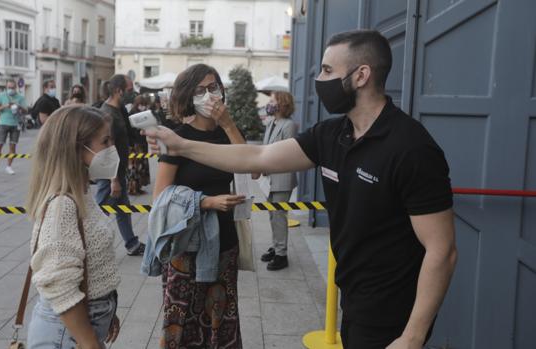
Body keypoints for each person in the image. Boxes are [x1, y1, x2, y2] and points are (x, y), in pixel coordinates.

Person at [146, 30, 458, 349]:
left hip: (393, 308)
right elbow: (259, 156)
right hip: (353, 298)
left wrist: (412, 336)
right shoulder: (332, 135)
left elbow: (442, 250)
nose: (319, 80)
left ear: (361, 75)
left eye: (327, 70)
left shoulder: (412, 148)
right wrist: (181, 145)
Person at [154, 64, 248, 348]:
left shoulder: (228, 133)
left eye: (213, 87)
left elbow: (252, 170)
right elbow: (161, 196)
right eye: (200, 90)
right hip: (187, 244)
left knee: (220, 315)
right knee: (183, 316)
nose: (209, 95)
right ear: (187, 95)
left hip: (225, 241)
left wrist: (229, 125)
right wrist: (205, 202)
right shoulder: (177, 137)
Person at [25, 105, 120, 349]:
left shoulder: (81, 193)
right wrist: (90, 343)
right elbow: (58, 282)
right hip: (65, 335)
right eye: (105, 141)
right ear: (76, 149)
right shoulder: (62, 205)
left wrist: (108, 310)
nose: (112, 149)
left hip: (85, 321)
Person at [97, 74, 145, 256]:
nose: (132, 94)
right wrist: (113, 180)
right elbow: (106, 150)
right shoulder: (107, 114)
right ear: (119, 91)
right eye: (129, 90)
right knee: (100, 210)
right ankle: (87, 242)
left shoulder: (118, 110)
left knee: (123, 208)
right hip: (109, 173)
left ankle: (131, 243)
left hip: (118, 170)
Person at [259, 91, 298, 271]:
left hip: (282, 177)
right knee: (272, 214)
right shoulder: (271, 123)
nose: (269, 103)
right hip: (269, 177)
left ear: (281, 104)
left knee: (279, 216)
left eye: (272, 101)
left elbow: (287, 154)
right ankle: (276, 247)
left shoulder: (289, 125)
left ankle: (282, 255)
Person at [0, 80, 27, 176]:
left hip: (15, 124)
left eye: (13, 88)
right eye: (9, 87)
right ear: (6, 87)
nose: (11, 89)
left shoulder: (20, 97)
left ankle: (9, 167)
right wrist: (6, 106)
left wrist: (19, 106)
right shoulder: (1, 95)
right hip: (3, 123)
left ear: (16, 88)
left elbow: (26, 110)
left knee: (13, 146)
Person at [127, 95, 151, 195]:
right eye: (142, 104)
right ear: (137, 104)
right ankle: (132, 188)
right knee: (135, 167)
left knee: (141, 167)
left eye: (144, 105)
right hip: (135, 143)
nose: (143, 106)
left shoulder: (141, 113)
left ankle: (138, 187)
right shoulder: (132, 114)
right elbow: (132, 130)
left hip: (141, 142)